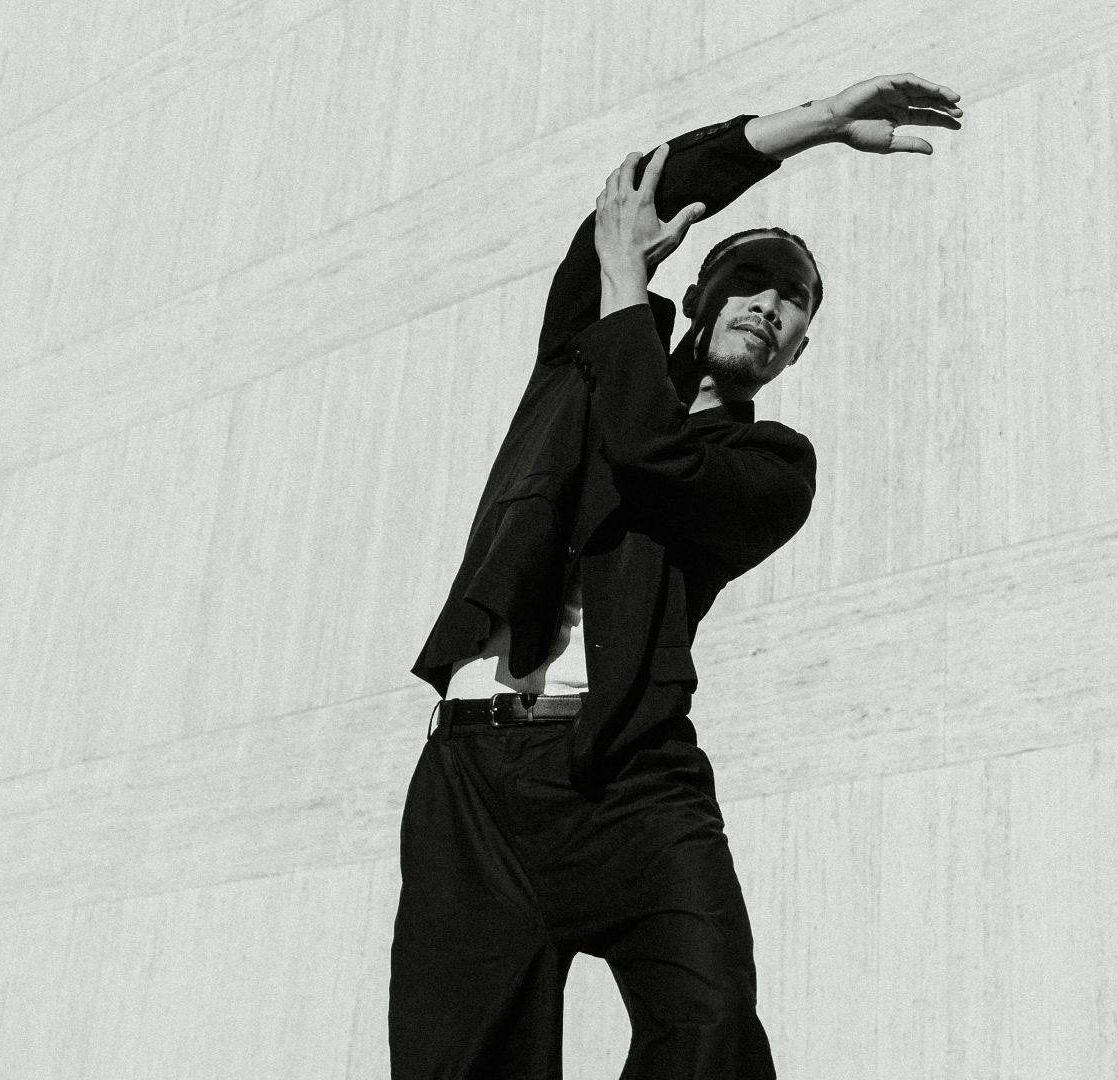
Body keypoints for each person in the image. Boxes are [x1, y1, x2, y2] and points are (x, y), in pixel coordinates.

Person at [391, 73, 962, 1079]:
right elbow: (643, 196)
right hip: (472, 789)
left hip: (631, 781)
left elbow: (654, 457)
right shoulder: (579, 356)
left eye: (793, 303)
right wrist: (815, 126)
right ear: (696, 296)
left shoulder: (771, 468)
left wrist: (622, 291)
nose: (771, 308)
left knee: (709, 1031)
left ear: (798, 350)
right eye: (752, 282)